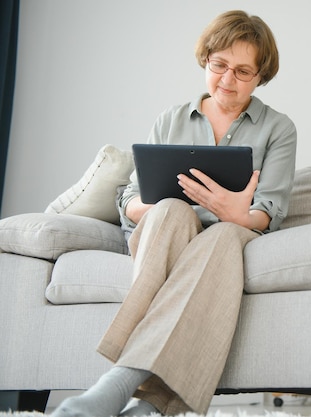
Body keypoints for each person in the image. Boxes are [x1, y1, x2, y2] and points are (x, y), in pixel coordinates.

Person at [52, 10, 297, 417]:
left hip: (231, 235)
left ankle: (121, 386)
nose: (227, 80)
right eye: (219, 66)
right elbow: (129, 197)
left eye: (243, 71)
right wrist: (150, 204)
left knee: (219, 236)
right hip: (167, 230)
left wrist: (235, 213)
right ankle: (147, 403)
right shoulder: (171, 119)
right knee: (168, 210)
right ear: (206, 61)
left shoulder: (279, 128)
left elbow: (268, 213)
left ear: (260, 76)